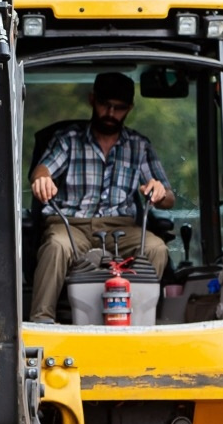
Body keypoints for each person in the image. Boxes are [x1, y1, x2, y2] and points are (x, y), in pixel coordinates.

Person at [27, 71, 174, 323]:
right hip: (72, 225)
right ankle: (42, 320)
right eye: (105, 105)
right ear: (92, 100)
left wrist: (159, 192)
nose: (111, 113)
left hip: (123, 228)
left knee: (156, 248)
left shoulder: (139, 145)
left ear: (129, 108)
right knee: (56, 246)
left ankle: (141, 320)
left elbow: (169, 197)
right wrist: (42, 179)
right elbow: (43, 170)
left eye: (119, 108)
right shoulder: (68, 140)